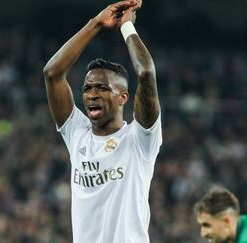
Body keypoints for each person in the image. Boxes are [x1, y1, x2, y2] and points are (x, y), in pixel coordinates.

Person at [43, 0, 162, 242]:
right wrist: (95, 22)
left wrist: (127, 27)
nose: (92, 94)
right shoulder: (77, 133)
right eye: (87, 89)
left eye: (102, 88)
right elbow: (53, 74)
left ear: (122, 97)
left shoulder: (140, 140)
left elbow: (146, 73)